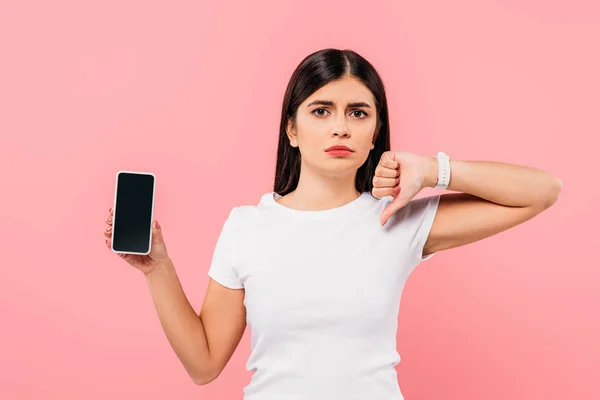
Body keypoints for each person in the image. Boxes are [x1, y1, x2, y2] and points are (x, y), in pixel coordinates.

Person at [103, 48, 562, 399]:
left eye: (358, 113)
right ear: (292, 130)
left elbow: (542, 191)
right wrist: (156, 268)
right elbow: (204, 364)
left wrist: (431, 170)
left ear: (375, 132)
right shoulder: (246, 227)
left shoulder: (396, 221)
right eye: (321, 111)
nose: (340, 128)